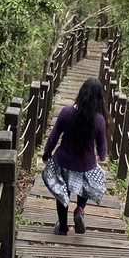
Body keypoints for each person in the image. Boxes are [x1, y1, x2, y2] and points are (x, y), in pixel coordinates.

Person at [41, 77, 107, 235]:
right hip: (86, 164)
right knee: (85, 185)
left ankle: (63, 228)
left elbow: (54, 135)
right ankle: (80, 209)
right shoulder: (99, 120)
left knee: (62, 193)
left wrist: (47, 152)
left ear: (81, 93)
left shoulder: (67, 111)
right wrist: (102, 157)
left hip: (63, 161)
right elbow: (102, 144)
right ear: (99, 98)